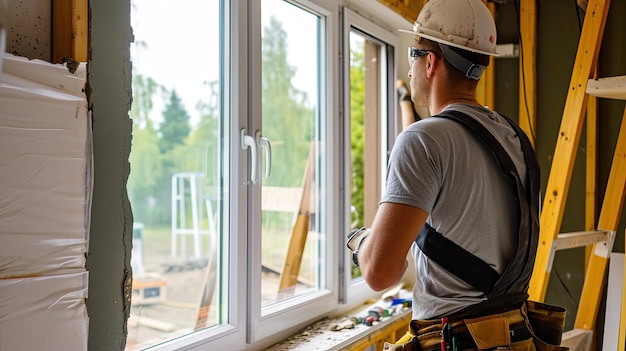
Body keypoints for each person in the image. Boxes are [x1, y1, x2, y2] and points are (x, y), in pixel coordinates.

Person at [347, 0, 551, 349]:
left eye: (413, 54)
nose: (409, 70)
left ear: (431, 62)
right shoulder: (515, 138)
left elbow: (380, 273)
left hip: (458, 340)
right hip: (514, 336)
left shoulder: (422, 139)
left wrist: (361, 241)